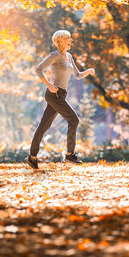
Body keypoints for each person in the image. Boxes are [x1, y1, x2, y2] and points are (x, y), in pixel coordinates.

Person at [25, 30, 95, 169]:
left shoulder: (69, 56)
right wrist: (49, 85)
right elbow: (38, 69)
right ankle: (70, 154)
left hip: (62, 94)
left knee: (44, 125)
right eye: (69, 38)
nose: (71, 40)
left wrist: (87, 71)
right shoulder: (55, 56)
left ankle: (32, 157)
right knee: (74, 119)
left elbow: (77, 75)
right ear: (61, 40)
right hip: (53, 94)